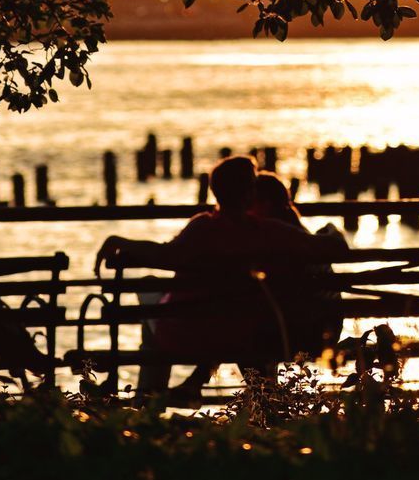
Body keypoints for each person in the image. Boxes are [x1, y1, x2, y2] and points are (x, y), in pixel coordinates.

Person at [94, 155, 346, 404]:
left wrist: (121, 242)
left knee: (149, 301)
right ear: (248, 193)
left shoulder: (203, 227)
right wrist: (333, 230)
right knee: (172, 304)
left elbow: (166, 255)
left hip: (190, 335)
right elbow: (328, 246)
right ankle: (264, 405)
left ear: (215, 191)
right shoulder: (265, 231)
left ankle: (148, 400)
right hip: (242, 332)